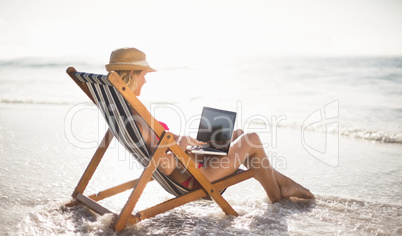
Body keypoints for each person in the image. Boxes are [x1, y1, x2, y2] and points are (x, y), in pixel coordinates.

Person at [105, 47, 314, 203]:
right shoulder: (137, 120)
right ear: (132, 74)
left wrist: (187, 142)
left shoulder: (124, 111)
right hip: (197, 177)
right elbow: (165, 167)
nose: (146, 81)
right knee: (252, 140)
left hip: (194, 164)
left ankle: (283, 186)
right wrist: (183, 143)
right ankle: (278, 198)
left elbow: (162, 145)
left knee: (238, 134)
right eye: (143, 75)